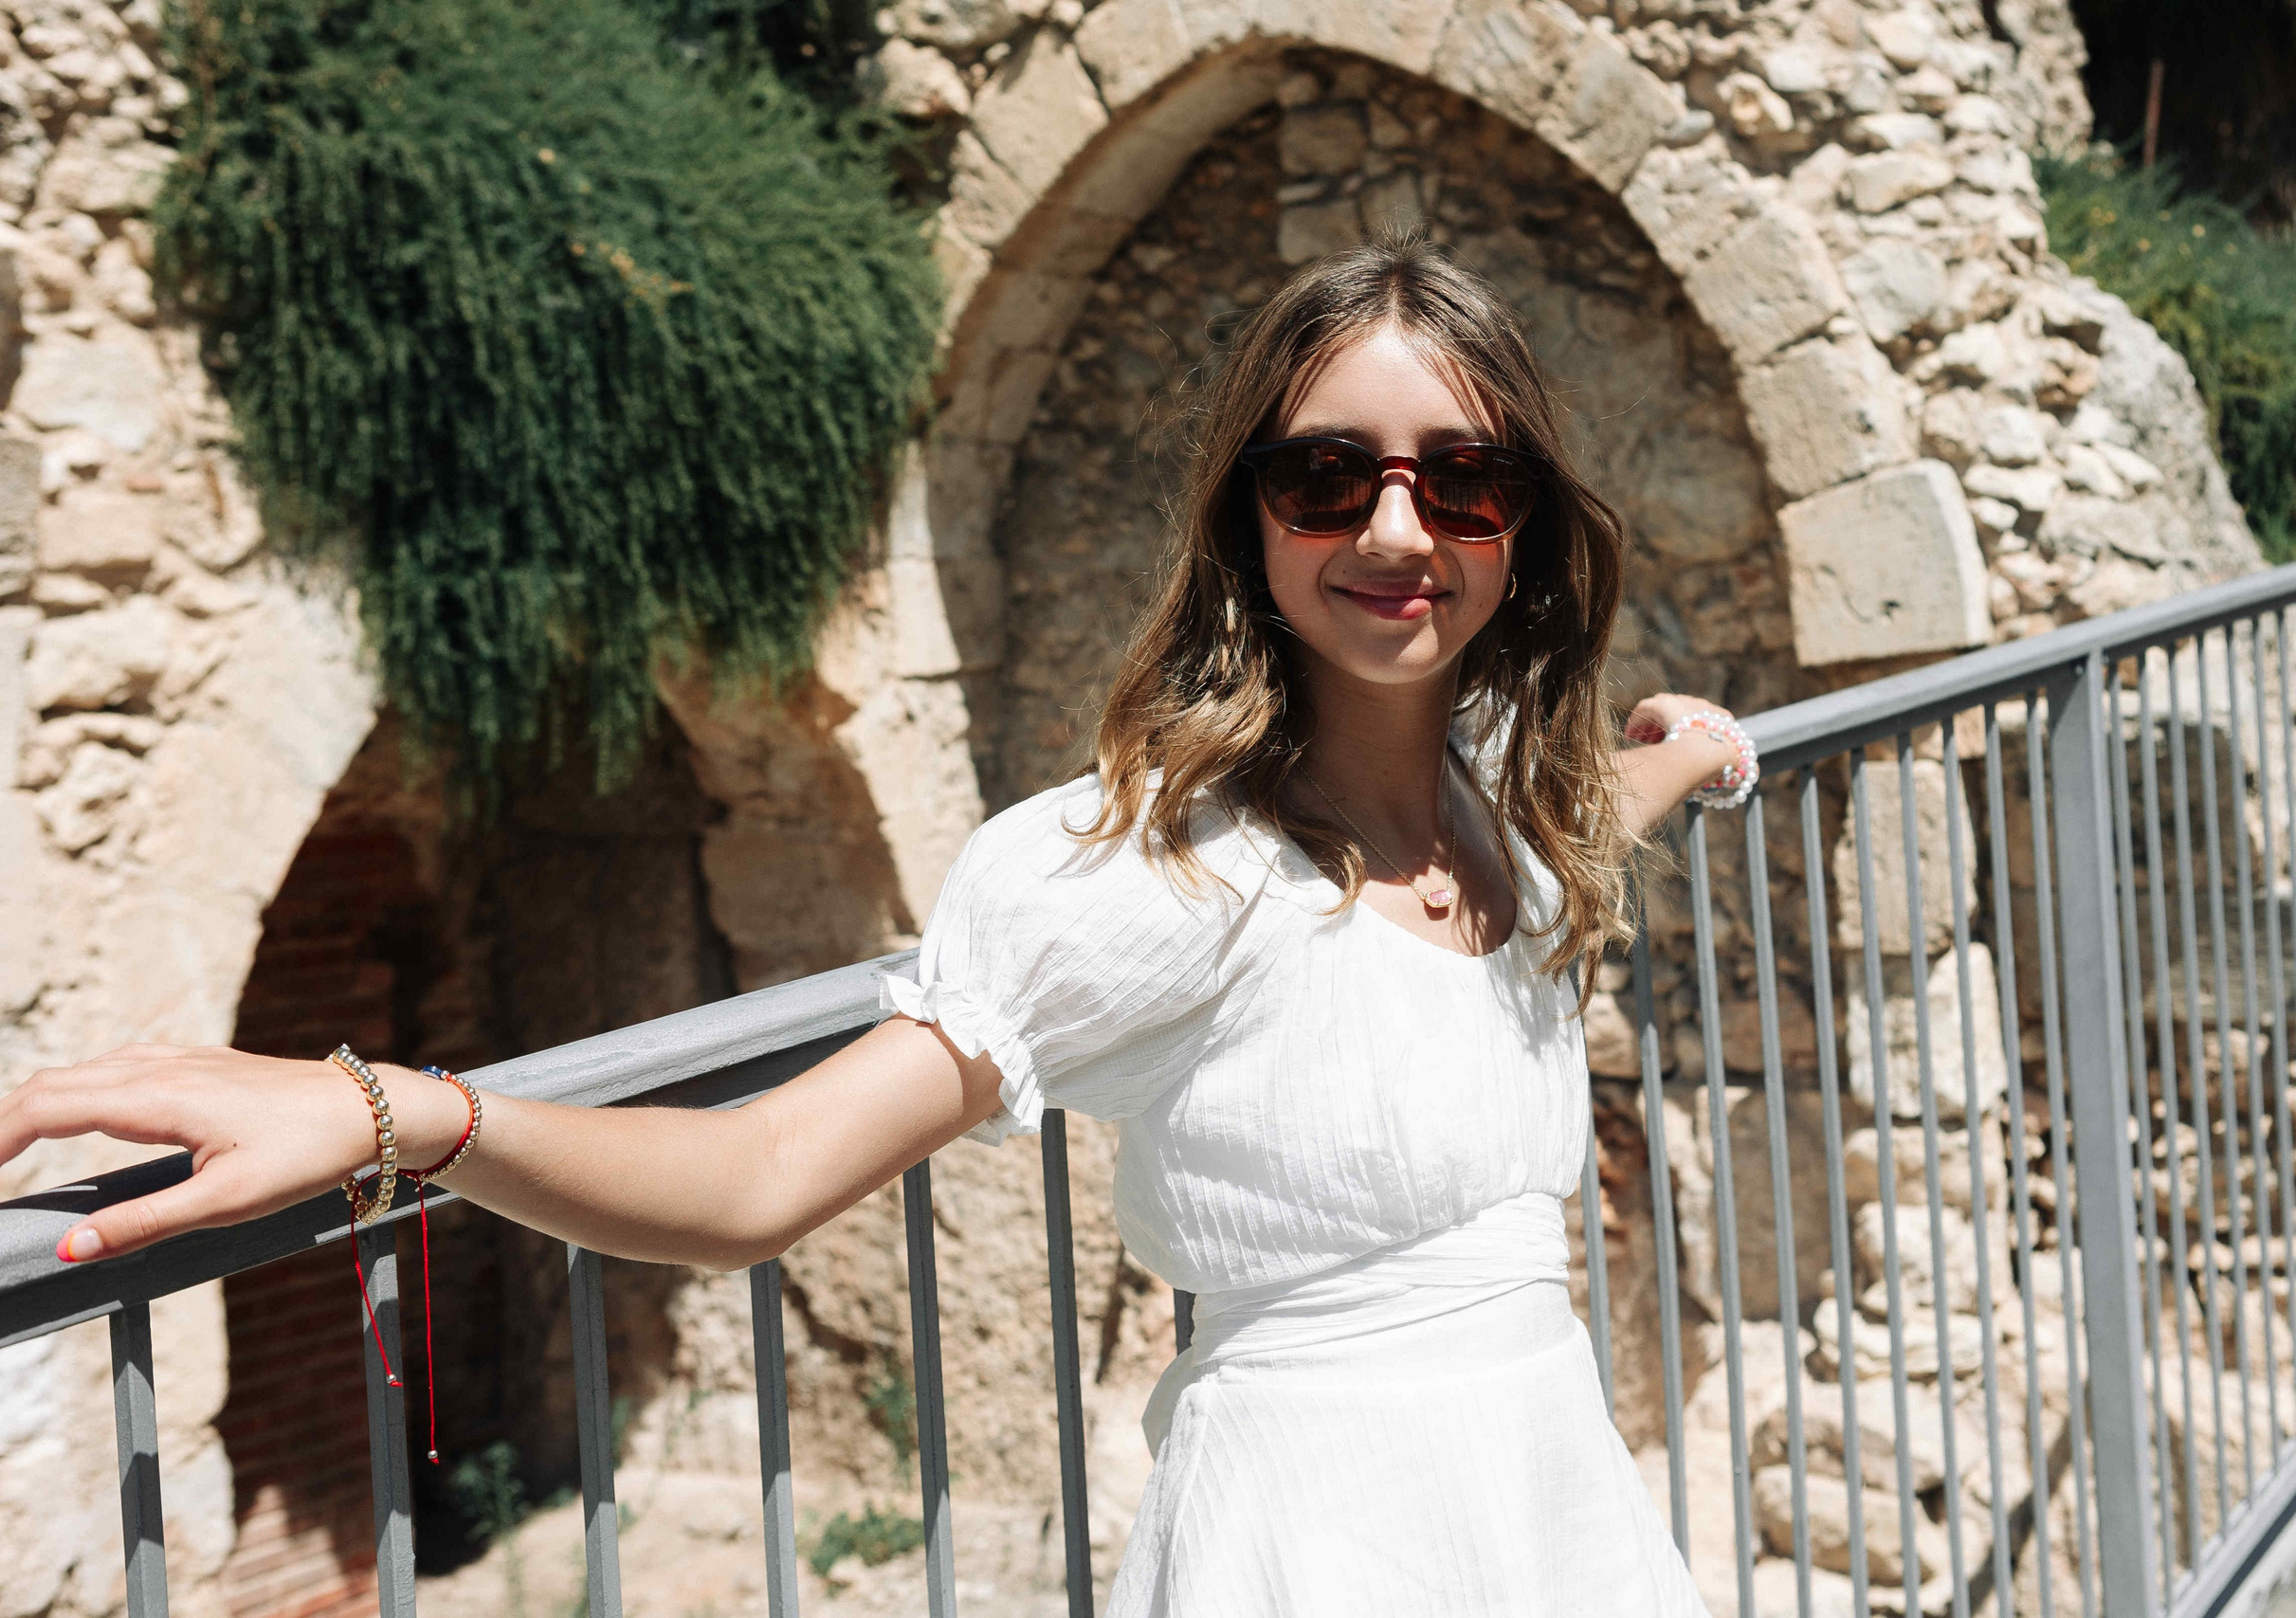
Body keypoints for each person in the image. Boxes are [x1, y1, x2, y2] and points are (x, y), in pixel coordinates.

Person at [1, 232, 1751, 1615]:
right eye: (1326, 477)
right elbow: (759, 1184)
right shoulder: (1152, 878)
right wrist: (402, 1115)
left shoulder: (1506, 805)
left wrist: (1683, 751)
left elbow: (1582, 822)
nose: (1396, 528)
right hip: (1316, 1542)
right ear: (1247, 518)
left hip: (1551, 1505)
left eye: (1462, 481)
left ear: (1523, 524)